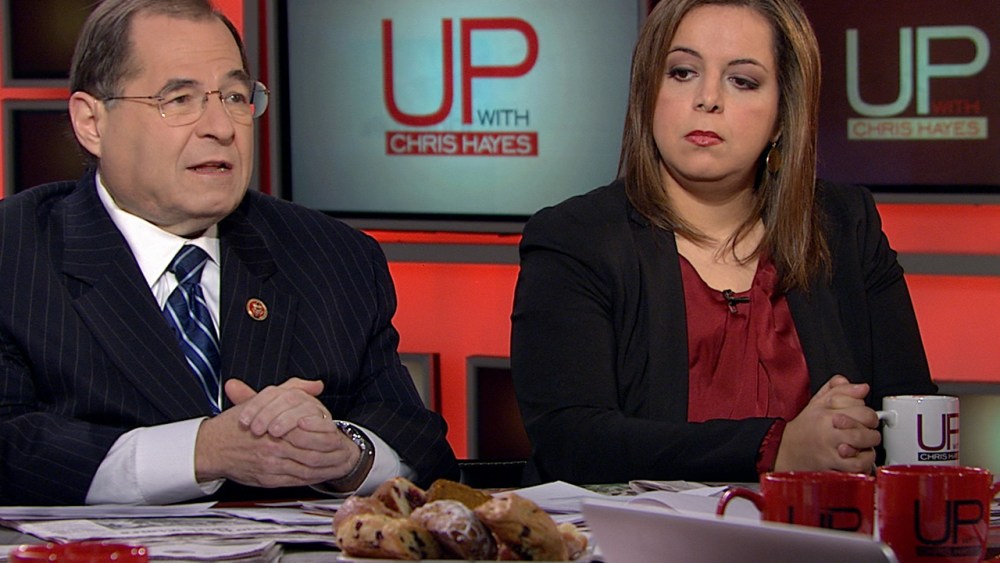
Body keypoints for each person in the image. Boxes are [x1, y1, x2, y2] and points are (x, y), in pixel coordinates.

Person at [0, 0, 457, 505]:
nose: (221, 127)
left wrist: (345, 455)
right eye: (180, 99)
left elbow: (421, 447)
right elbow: (11, 444)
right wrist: (201, 450)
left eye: (236, 97)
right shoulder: (14, 254)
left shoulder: (332, 256)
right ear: (92, 122)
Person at [510, 0, 937, 485]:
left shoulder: (844, 226)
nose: (707, 98)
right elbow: (573, 442)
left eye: (742, 81)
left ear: (783, 115)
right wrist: (776, 449)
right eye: (682, 72)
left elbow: (913, 420)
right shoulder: (576, 238)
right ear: (648, 90)